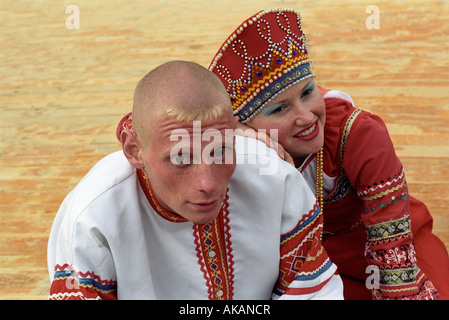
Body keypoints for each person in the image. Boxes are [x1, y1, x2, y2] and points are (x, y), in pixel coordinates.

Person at [47, 60, 343, 300]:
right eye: (180, 159)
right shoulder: (94, 214)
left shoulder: (277, 181)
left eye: (221, 151)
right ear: (134, 150)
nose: (207, 183)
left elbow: (314, 291)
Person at [208, 8, 449, 300]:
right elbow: (149, 131)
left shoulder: (358, 133)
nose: (307, 117)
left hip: (387, 248)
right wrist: (237, 138)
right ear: (244, 122)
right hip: (307, 261)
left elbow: (394, 252)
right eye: (280, 109)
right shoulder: (241, 149)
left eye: (308, 92)